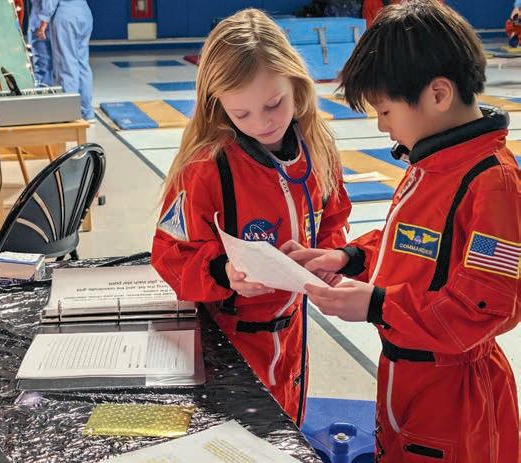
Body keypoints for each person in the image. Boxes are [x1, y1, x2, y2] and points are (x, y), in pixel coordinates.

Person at [284, 1, 520, 461]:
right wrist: (348, 258)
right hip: (407, 375)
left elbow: (485, 308)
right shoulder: (433, 163)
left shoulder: (492, 184)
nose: (381, 125)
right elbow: (415, 246)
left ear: (438, 95)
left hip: (455, 397)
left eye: (386, 111)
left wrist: (377, 304)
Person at [151, 8, 351, 423]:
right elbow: (170, 254)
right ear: (218, 106)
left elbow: (333, 218)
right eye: (241, 114)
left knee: (290, 430)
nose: (263, 123)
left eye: (275, 104)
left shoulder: (318, 149)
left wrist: (329, 259)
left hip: (292, 335)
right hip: (231, 344)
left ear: (297, 85)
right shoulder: (205, 168)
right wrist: (224, 272)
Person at [37, 0, 94, 120]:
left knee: (66, 64)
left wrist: (44, 20)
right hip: (84, 12)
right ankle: (87, 112)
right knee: (82, 64)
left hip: (66, 15)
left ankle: (70, 114)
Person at [27, 0, 53, 87]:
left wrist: (43, 22)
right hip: (41, 20)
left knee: (43, 67)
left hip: (41, 23)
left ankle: (43, 91)